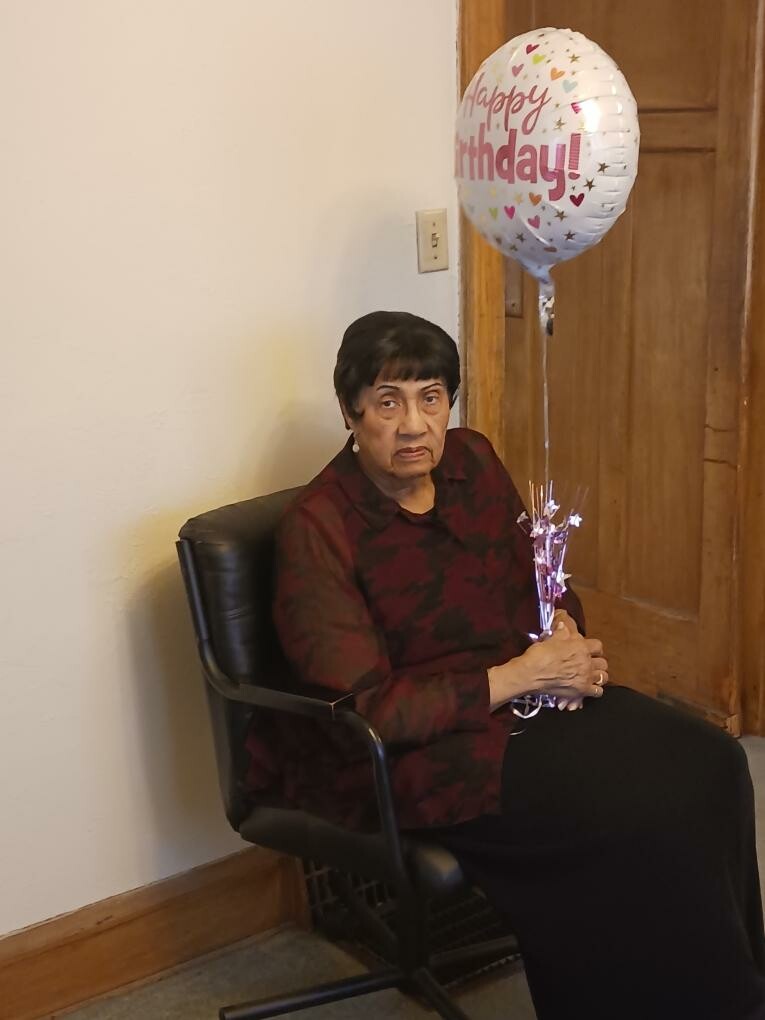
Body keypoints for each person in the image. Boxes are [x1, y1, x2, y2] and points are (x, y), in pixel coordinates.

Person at [245, 310, 765, 1020]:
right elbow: (370, 712)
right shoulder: (319, 529)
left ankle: (732, 996)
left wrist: (563, 630)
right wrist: (523, 676)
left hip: (527, 696)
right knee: (632, 816)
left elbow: (539, 579)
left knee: (711, 764)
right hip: (415, 751)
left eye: (431, 398)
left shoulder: (472, 462)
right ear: (349, 411)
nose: (413, 425)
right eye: (388, 403)